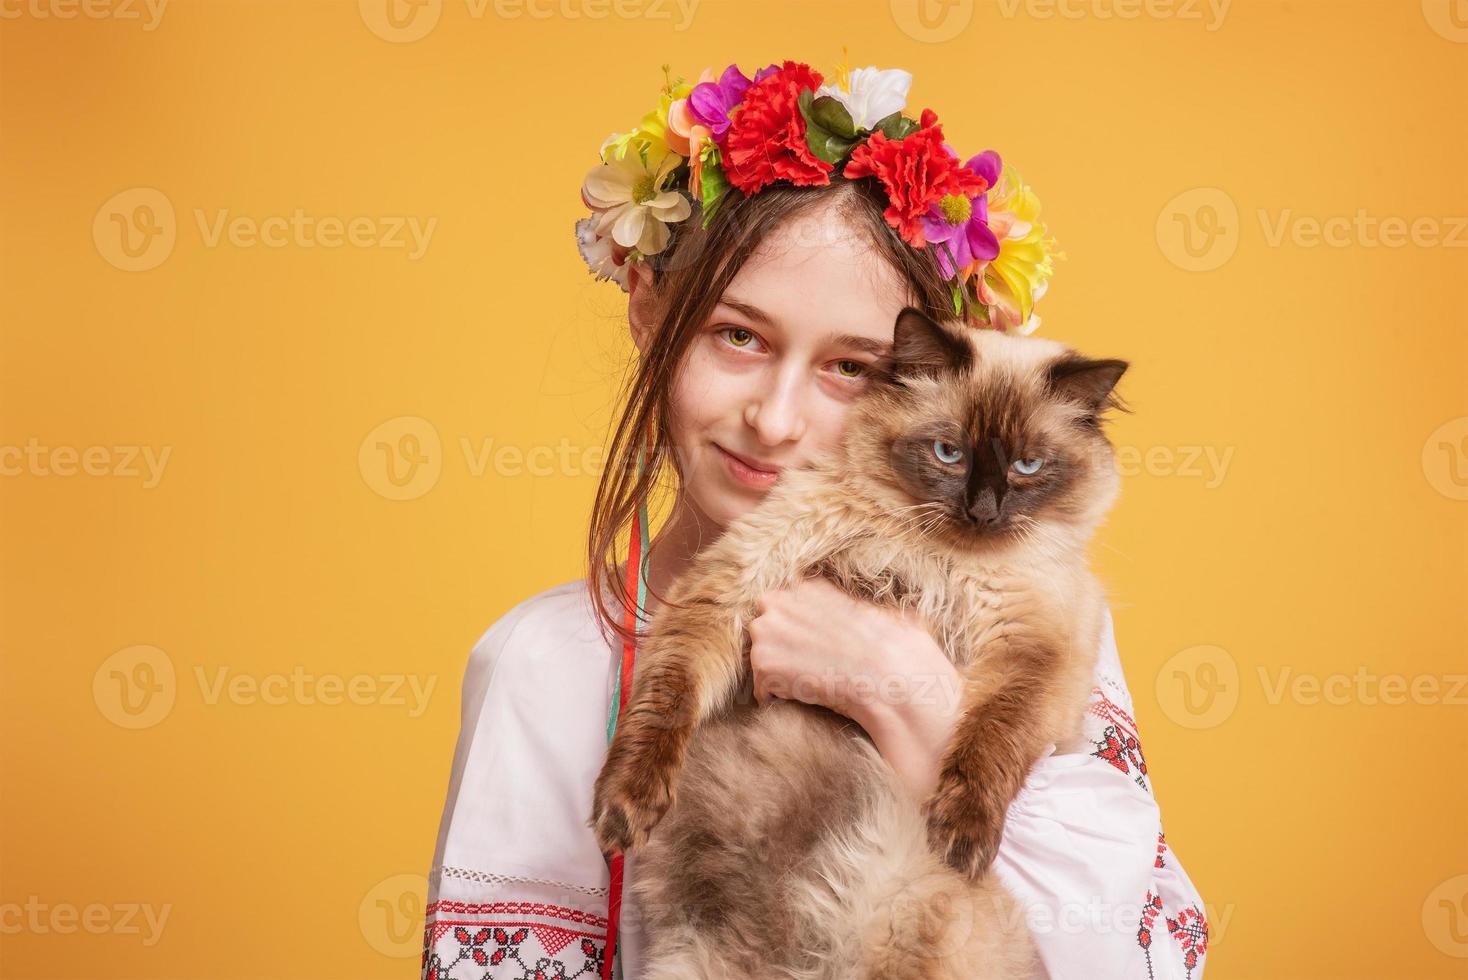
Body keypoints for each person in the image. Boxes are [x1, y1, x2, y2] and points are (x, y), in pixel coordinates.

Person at [422, 59, 1210, 980]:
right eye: (739, 337)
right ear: (648, 312)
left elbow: (1150, 959)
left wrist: (908, 697)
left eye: (850, 368)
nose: (776, 417)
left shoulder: (1038, 624)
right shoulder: (545, 667)